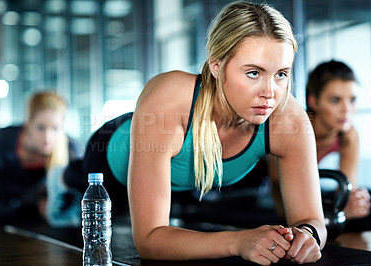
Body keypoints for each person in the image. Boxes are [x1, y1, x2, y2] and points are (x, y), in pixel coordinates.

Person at [70, 2, 326, 264]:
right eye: (253, 73)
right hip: (111, 160)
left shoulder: (289, 118)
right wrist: (239, 241)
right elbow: (148, 240)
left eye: (281, 74)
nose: (270, 93)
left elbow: (314, 221)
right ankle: (62, 179)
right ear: (216, 65)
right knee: (76, 187)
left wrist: (307, 235)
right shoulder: (167, 99)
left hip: (189, 184)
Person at [0, 91, 82, 225]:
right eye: (41, 128)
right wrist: (33, 210)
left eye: (55, 128)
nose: (47, 137)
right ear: (28, 123)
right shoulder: (1, 142)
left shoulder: (71, 150)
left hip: (48, 233)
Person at [305, 60, 371, 220]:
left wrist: (354, 204)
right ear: (314, 102)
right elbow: (279, 195)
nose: (346, 109)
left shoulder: (349, 134)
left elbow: (346, 193)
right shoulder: (293, 129)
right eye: (335, 100)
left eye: (352, 100)